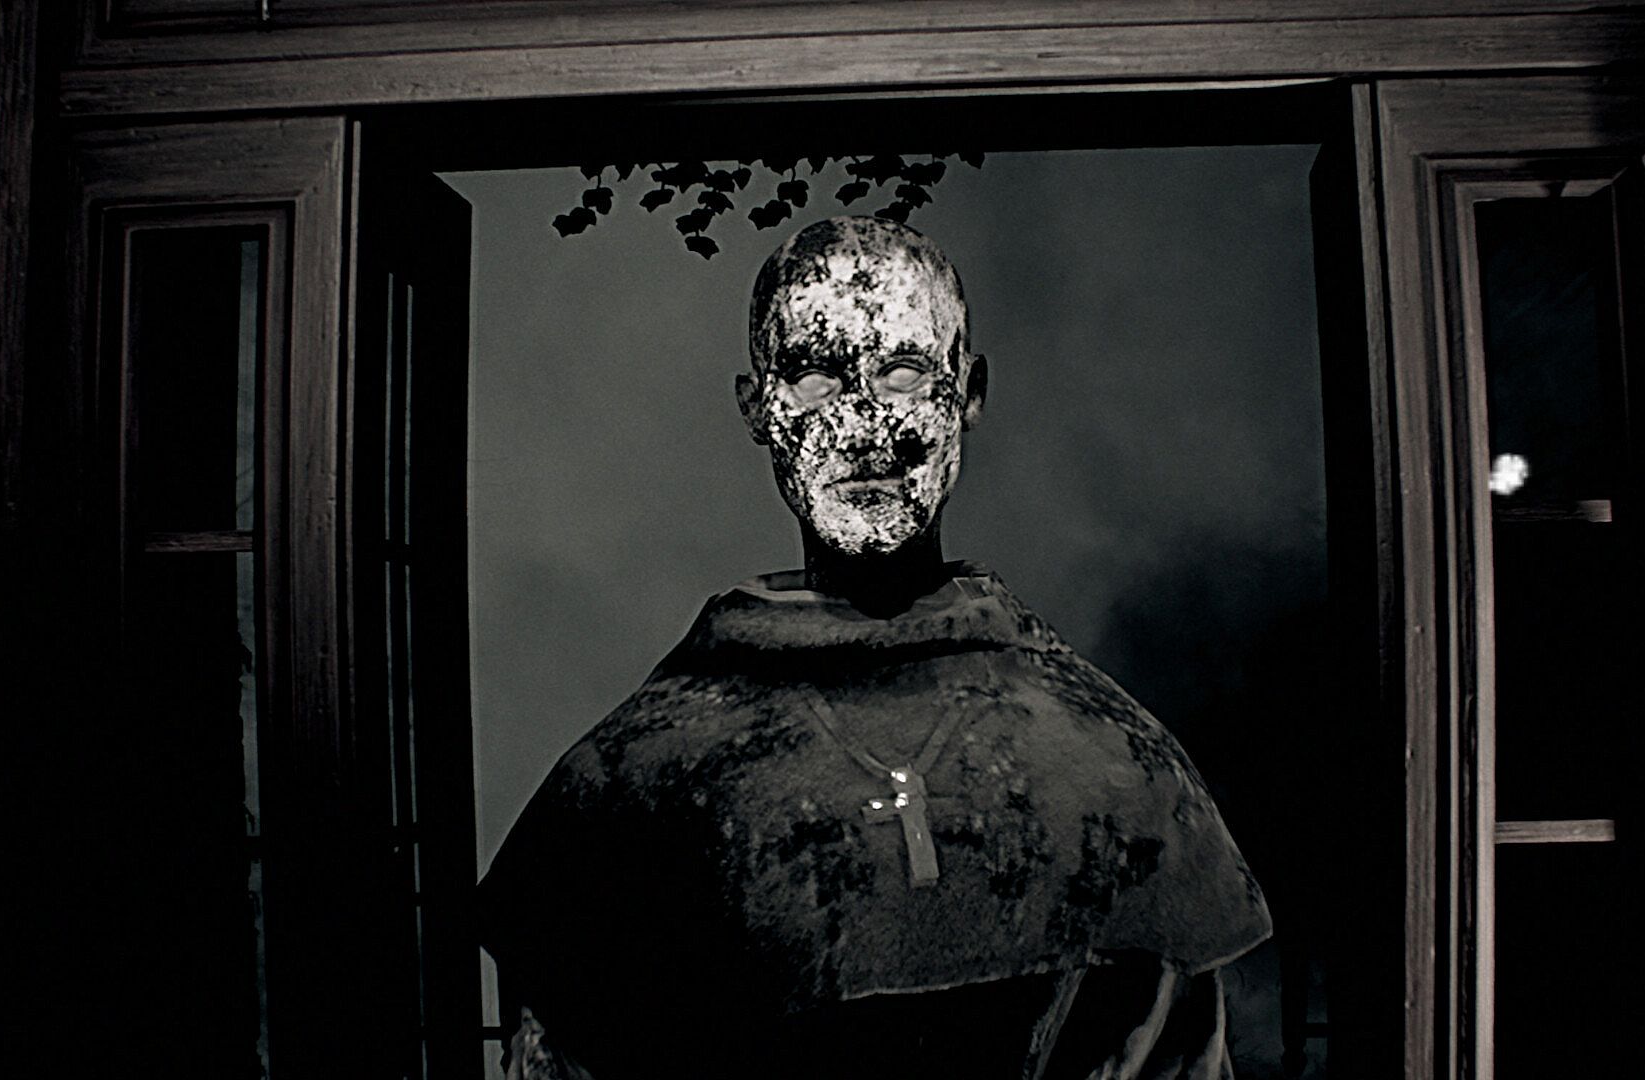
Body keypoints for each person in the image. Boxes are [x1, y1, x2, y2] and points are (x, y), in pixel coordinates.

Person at [477, 216, 1270, 1079]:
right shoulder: (635, 780)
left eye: (902, 373)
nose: (862, 426)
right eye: (815, 378)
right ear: (757, 407)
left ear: (968, 392)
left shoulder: (1118, 761)